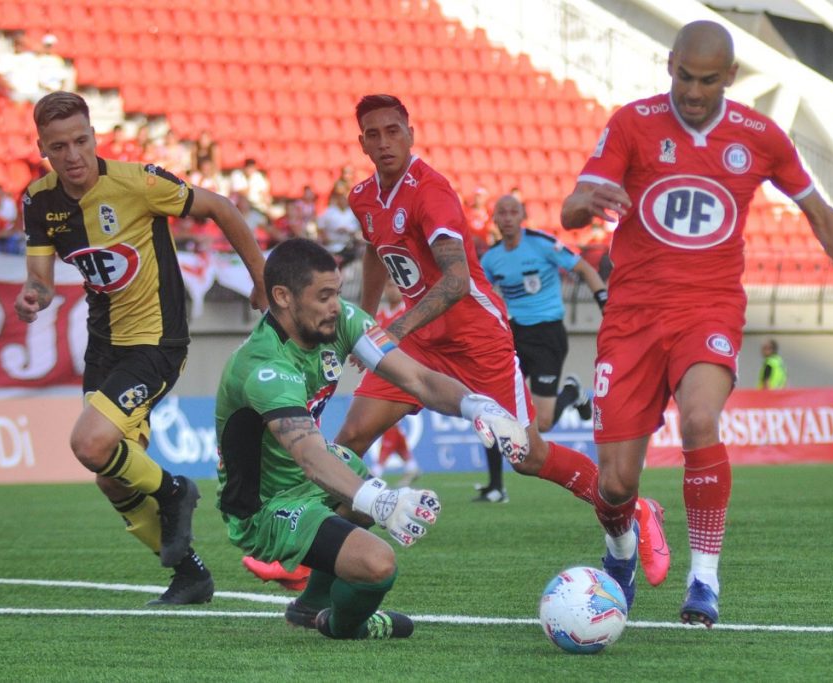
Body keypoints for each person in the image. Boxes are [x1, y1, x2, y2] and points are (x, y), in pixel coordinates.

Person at [560, 20, 833, 627]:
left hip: (709, 306)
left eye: (707, 81)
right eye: (684, 77)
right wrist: (590, 202)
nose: (693, 92)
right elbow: (572, 206)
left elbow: (820, 213)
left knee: (699, 420)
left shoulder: (760, 136)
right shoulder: (632, 122)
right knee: (614, 485)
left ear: (731, 78)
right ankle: (621, 550)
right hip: (633, 314)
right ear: (669, 65)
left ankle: (704, 578)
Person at [333, 94, 670, 595]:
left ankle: (633, 506)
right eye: (374, 134)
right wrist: (363, 319)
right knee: (353, 435)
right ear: (361, 142)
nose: (384, 142)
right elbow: (377, 252)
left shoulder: (432, 192)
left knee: (526, 455)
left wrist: (392, 331)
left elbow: (455, 282)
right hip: (421, 340)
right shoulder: (363, 197)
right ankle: (317, 559)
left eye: (393, 131)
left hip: (475, 338)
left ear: (411, 133)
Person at [13, 91, 267, 605]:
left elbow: (218, 206)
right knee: (111, 478)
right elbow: (39, 279)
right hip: (103, 348)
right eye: (59, 147)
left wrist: (261, 280)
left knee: (88, 445)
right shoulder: (40, 201)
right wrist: (32, 296)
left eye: (81, 141)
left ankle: (175, 491)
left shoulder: (138, 183)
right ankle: (190, 576)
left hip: (157, 340)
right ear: (43, 149)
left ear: (94, 137)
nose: (73, 155)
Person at [215, 238, 527, 640]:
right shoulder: (264, 367)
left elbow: (416, 377)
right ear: (283, 297)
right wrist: (379, 500)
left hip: (306, 475)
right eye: (323, 296)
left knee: (354, 473)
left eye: (337, 293)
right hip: (263, 507)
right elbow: (310, 457)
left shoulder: (342, 319)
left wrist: (477, 406)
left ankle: (310, 606)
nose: (336, 305)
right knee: (378, 564)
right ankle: (344, 625)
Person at [476, 194, 607, 500]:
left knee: (543, 423)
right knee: (495, 407)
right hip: (515, 336)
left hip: (549, 334)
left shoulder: (542, 244)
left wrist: (604, 302)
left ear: (522, 216)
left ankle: (572, 393)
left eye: (513, 212)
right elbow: (479, 294)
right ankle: (496, 486)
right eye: (502, 213)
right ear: (495, 220)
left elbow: (585, 270)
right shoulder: (491, 259)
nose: (507, 218)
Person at [370, 281, 421, 485]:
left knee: (388, 424)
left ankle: (377, 469)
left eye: (394, 285)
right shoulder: (380, 315)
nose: (391, 289)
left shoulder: (408, 313)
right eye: (388, 285)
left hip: (404, 375)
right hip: (384, 375)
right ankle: (411, 466)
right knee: (390, 424)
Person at [316, 179, 362, 267]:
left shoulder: (353, 213)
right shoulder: (328, 212)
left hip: (349, 247)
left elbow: (357, 230)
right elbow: (320, 227)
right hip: (332, 248)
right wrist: (325, 237)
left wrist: (349, 232)